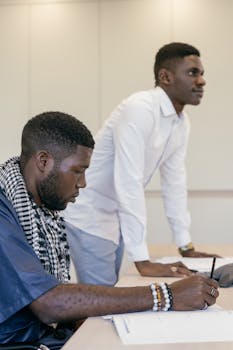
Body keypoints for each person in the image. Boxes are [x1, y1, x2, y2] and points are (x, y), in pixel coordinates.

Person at [0, 111, 219, 349]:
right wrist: (165, 295)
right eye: (77, 170)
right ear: (43, 162)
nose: (83, 183)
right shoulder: (4, 212)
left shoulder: (37, 206)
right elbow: (49, 303)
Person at [64, 42, 219, 286]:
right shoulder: (139, 109)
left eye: (201, 74)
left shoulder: (181, 122)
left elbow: (174, 183)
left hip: (116, 213)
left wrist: (185, 245)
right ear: (165, 76)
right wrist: (143, 260)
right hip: (90, 212)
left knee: (108, 293)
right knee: (99, 300)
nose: (201, 81)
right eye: (192, 73)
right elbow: (128, 181)